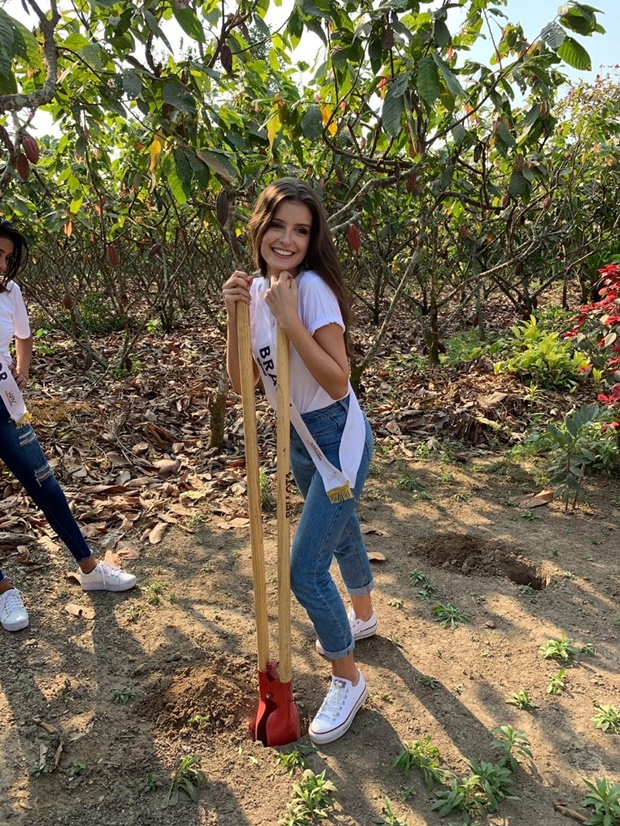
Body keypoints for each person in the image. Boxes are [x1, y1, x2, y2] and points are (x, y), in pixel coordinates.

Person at [222, 178, 377, 745]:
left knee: (303, 571)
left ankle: (348, 678)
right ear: (259, 228)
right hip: (298, 435)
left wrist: (289, 319)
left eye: (302, 230)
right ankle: (363, 617)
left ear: (312, 241)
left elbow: (338, 381)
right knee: (340, 534)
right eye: (278, 225)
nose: (288, 238)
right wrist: (238, 317)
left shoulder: (309, 289)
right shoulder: (261, 289)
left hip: (338, 437)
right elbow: (243, 384)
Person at [0, 220, 136, 633]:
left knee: (45, 484)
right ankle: (4, 590)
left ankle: (89, 566)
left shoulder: (10, 292)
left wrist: (21, 370)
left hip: (4, 402)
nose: (3, 262)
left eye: (7, 256)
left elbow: (23, 336)